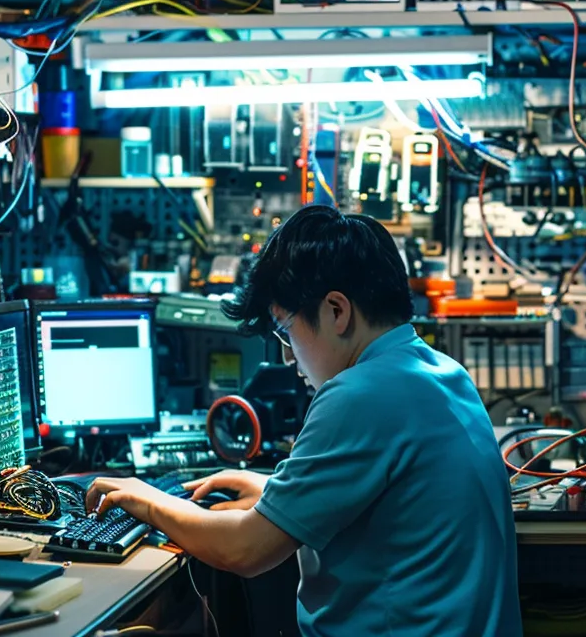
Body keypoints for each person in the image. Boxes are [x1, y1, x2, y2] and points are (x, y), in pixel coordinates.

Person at [87, 205, 522, 636]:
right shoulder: (442, 373)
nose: (288, 356)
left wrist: (147, 501)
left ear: (337, 310)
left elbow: (246, 549)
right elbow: (387, 504)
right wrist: (274, 494)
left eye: (286, 332)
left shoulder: (360, 393)